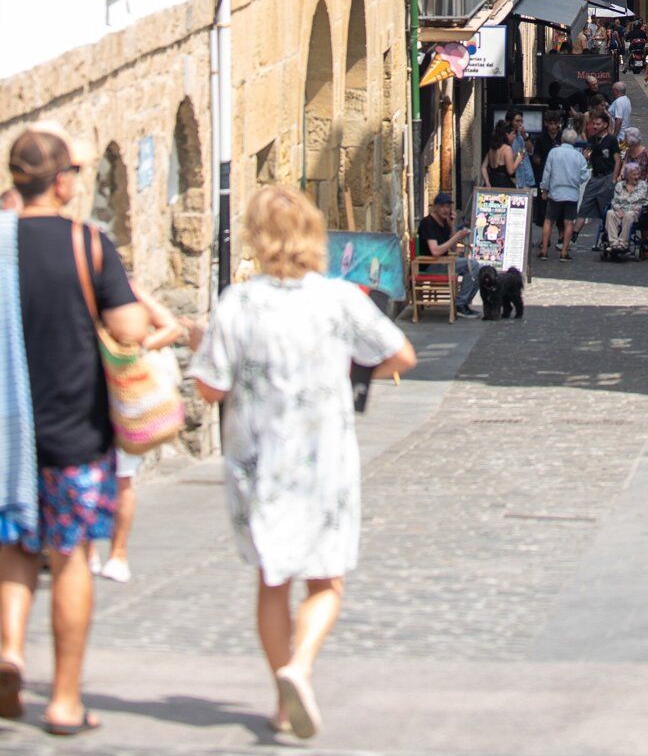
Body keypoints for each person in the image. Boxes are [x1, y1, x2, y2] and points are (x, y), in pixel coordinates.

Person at [192, 186, 413, 740]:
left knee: (273, 581)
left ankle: (279, 695)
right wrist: (348, 373)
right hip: (323, 458)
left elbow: (209, 387)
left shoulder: (238, 303)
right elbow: (400, 354)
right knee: (326, 579)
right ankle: (301, 665)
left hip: (258, 461)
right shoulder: (338, 299)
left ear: (256, 237)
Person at [0, 127, 147, 734]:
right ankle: (63, 700)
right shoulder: (88, 244)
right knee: (70, 557)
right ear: (61, 182)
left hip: (7, 436)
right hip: (76, 432)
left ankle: (10, 649)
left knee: (13, 548)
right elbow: (130, 327)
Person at [89, 284, 183, 585]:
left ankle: (118, 554)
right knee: (85, 474)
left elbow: (171, 326)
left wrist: (138, 348)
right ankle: (86, 550)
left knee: (122, 478)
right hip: (84, 394)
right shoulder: (74, 285)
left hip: (124, 395)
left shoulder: (125, 289)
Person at [416, 193, 481, 316]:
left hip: (444, 262)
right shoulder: (428, 223)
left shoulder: (444, 222)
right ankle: (460, 304)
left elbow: (452, 248)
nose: (446, 210)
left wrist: (451, 225)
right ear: (435, 207)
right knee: (473, 266)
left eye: (448, 207)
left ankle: (463, 303)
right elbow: (435, 251)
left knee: (479, 268)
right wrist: (457, 236)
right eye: (442, 206)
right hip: (431, 265)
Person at [540, 129, 589, 263]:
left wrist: (544, 188)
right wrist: (577, 180)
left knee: (549, 220)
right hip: (571, 193)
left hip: (555, 192)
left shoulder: (554, 152)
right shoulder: (578, 156)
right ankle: (564, 252)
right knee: (569, 222)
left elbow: (547, 172)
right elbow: (585, 174)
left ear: (562, 139)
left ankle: (544, 250)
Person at [604, 163, 648, 258]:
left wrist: (638, 207)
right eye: (634, 174)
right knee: (610, 213)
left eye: (638, 174)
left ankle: (623, 244)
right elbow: (614, 201)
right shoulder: (620, 185)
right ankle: (614, 243)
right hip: (620, 212)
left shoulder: (643, 185)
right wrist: (618, 209)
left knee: (629, 214)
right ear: (627, 175)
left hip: (635, 213)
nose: (637, 177)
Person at [480, 124, 519, 189]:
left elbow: (483, 167)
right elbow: (511, 171)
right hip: (503, 185)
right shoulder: (507, 149)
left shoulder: (492, 149)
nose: (514, 136)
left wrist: (487, 181)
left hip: (492, 182)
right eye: (513, 133)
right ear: (507, 135)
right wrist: (518, 159)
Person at [505, 111, 536, 190]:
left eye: (521, 121)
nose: (520, 123)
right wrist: (519, 154)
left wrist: (524, 136)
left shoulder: (523, 135)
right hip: (514, 178)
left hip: (526, 177)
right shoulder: (506, 137)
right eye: (517, 121)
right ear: (510, 121)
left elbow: (531, 151)